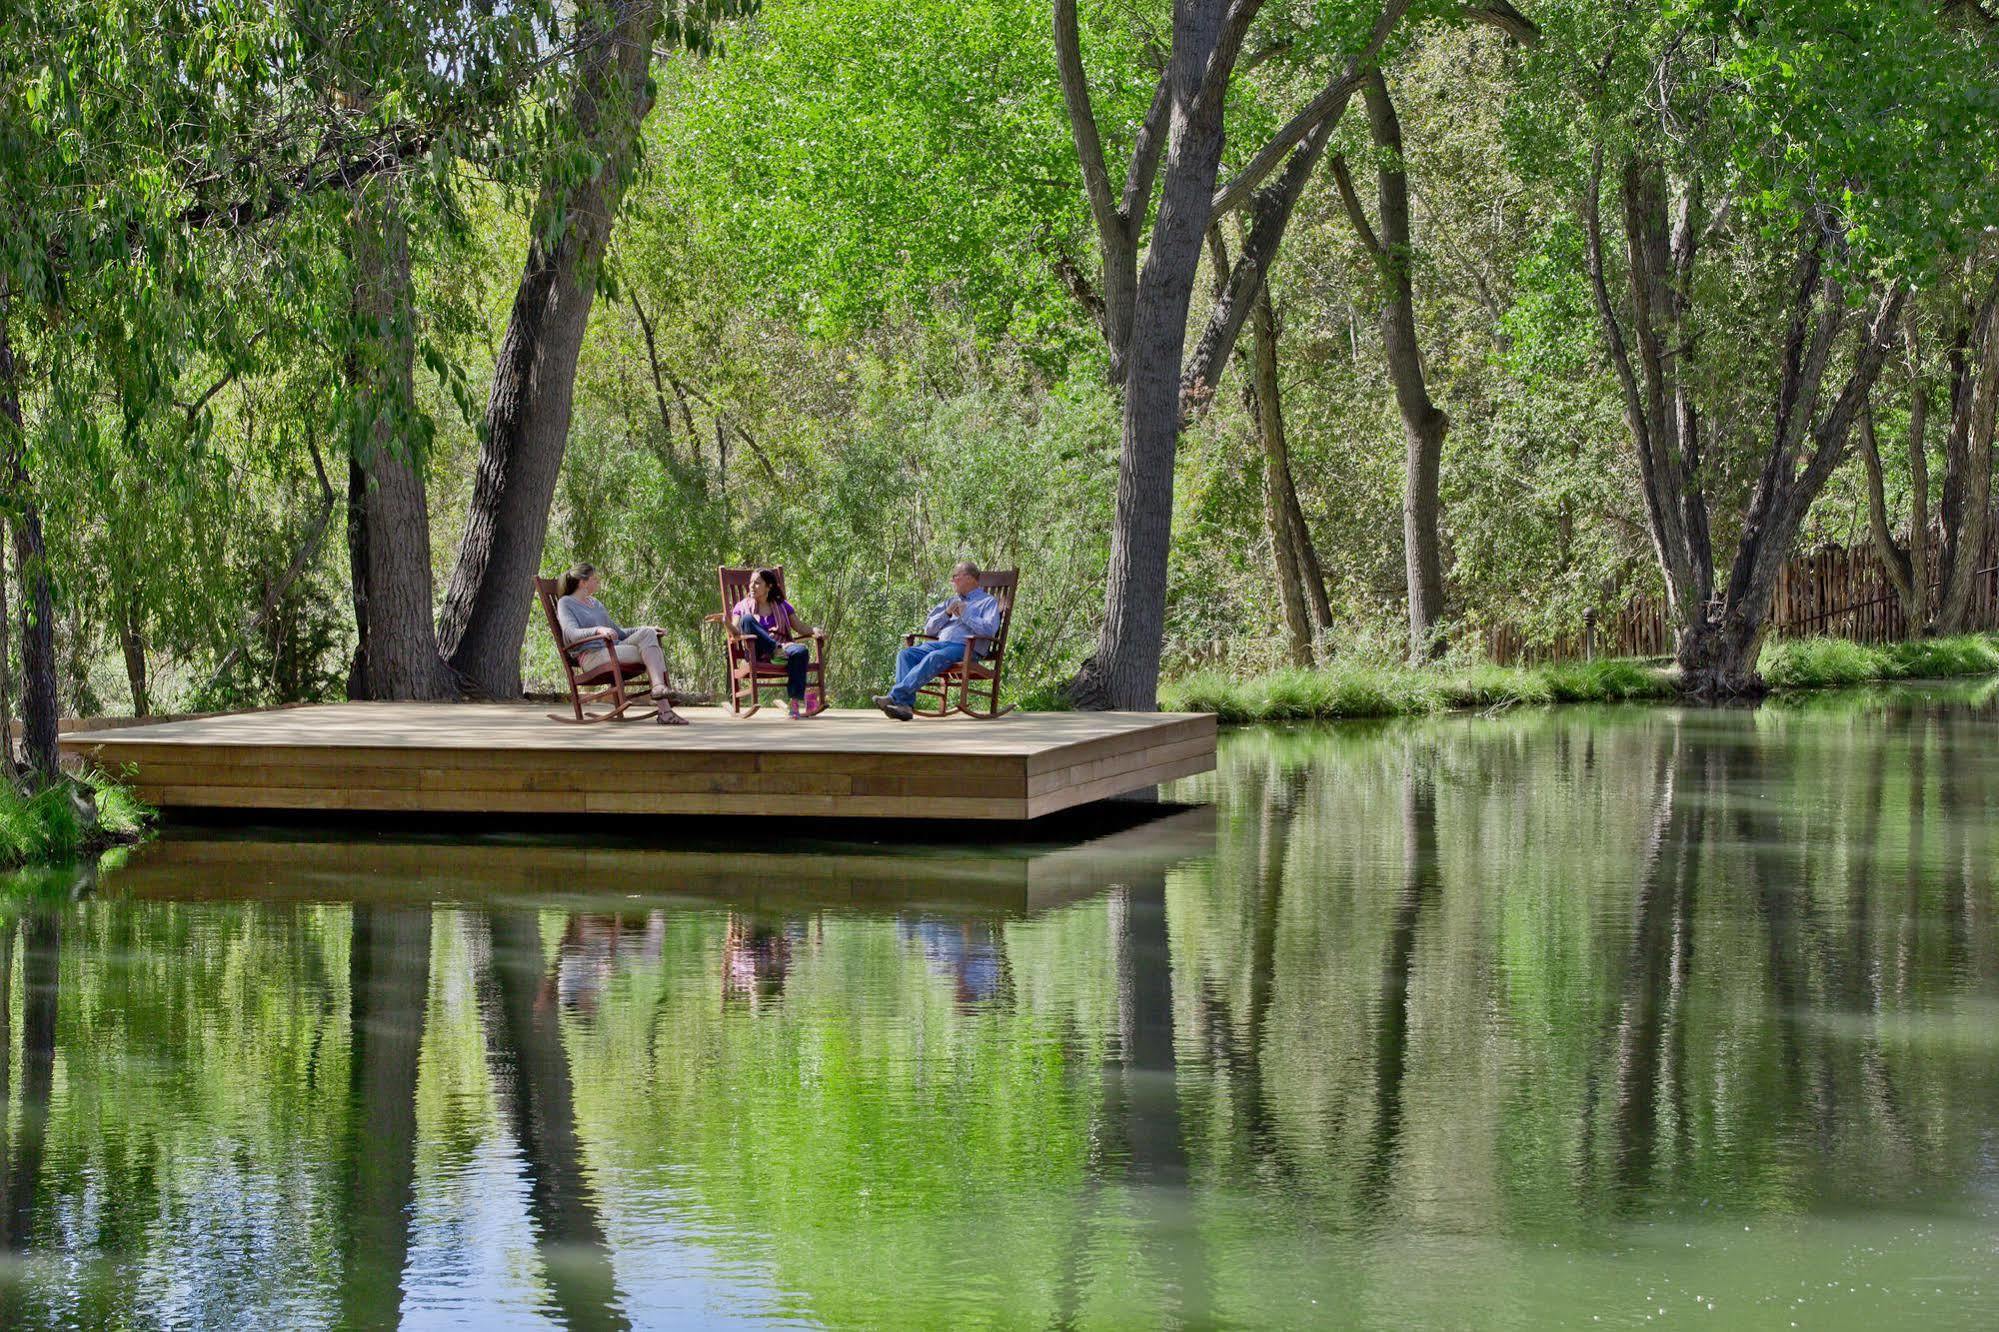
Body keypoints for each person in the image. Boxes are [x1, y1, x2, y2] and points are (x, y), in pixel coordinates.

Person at [555, 562, 689, 725]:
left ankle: (658, 689)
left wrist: (649, 629)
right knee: (652, 653)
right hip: (592, 656)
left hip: (613, 649)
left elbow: (620, 633)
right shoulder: (566, 603)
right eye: (595, 579)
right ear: (583, 582)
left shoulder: (595, 604)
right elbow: (571, 634)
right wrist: (597, 630)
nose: (599, 581)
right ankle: (665, 710)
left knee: (648, 635)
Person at [873, 560, 1000, 720]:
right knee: (905, 655)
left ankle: (895, 696)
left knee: (935, 657)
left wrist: (967, 615)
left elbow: (990, 629)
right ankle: (904, 705)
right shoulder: (950, 601)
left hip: (966, 648)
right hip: (940, 645)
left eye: (955, 577)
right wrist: (946, 613)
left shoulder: (988, 602)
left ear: (969, 578)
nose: (952, 581)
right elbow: (929, 629)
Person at [731, 567, 818, 719]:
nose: (751, 586)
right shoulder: (742, 606)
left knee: (800, 651)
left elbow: (799, 627)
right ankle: (774, 649)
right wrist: (725, 622)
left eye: (757, 583)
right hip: (756, 652)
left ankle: (795, 702)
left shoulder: (782, 605)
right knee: (747, 619)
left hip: (783, 649)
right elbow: (735, 633)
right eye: (751, 582)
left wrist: (815, 630)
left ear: (769, 586)